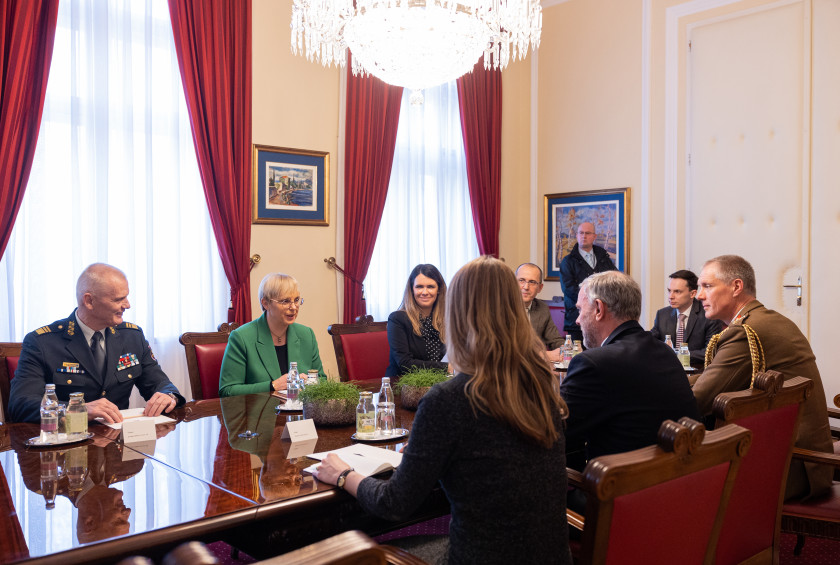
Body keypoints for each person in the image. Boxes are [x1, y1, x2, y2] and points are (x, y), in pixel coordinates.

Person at [314, 256, 572, 565]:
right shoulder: (543, 384)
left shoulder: (449, 399)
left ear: (457, 311)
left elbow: (393, 503)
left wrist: (343, 474)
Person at [693, 255, 833, 500]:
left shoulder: (745, 332)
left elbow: (698, 400)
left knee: (678, 481)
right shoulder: (767, 320)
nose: (698, 296)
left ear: (736, 287)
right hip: (808, 464)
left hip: (791, 468)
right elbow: (710, 380)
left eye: (707, 286)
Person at [560, 271, 700, 472]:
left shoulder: (593, 363)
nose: (578, 320)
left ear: (599, 308)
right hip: (674, 483)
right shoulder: (665, 352)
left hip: (620, 491)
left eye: (581, 310)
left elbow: (552, 433)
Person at [8, 263, 183, 424]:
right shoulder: (42, 342)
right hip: (69, 447)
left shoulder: (132, 336)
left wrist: (169, 395)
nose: (127, 305)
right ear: (89, 301)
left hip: (119, 445)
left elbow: (159, 382)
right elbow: (21, 405)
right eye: (118, 299)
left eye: (127, 297)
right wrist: (77, 410)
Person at [219, 273, 325, 397]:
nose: (294, 307)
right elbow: (228, 391)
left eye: (296, 300)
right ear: (265, 303)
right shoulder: (241, 337)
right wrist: (272, 385)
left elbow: (322, 380)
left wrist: (310, 383)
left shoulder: (307, 334)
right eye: (285, 301)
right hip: (260, 414)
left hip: (300, 414)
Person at [384, 264, 449, 377]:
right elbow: (405, 364)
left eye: (430, 286)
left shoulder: (447, 319)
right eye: (419, 287)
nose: (424, 292)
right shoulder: (397, 319)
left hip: (439, 384)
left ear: (439, 290)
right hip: (403, 386)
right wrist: (447, 367)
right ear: (412, 289)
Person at [650, 269, 724, 365]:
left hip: (697, 372)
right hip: (666, 370)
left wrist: (676, 355)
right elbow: (650, 342)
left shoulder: (709, 315)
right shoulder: (662, 314)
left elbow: (710, 352)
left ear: (692, 293)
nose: (670, 296)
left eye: (677, 292)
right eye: (669, 291)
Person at [559, 222, 617, 342]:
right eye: (581, 233)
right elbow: (569, 289)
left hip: (602, 319)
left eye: (587, 233)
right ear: (576, 235)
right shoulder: (567, 261)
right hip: (577, 320)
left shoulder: (603, 258)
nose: (583, 236)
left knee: (600, 357)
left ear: (594, 236)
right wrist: (593, 303)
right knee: (578, 357)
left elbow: (614, 281)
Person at [516, 263, 565, 360]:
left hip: (535, 369)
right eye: (521, 280)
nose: (526, 287)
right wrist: (544, 355)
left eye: (532, 282)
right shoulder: (502, 308)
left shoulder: (542, 308)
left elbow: (555, 340)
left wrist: (568, 350)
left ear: (540, 288)